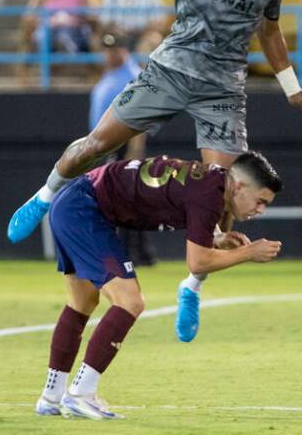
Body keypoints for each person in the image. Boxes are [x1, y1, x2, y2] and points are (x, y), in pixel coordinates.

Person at [8, 0, 302, 346]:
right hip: (169, 72)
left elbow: (270, 32)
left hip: (222, 88)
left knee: (223, 189)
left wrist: (292, 88)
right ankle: (42, 197)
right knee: (96, 146)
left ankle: (192, 285)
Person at [31, 151, 282, 419]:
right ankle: (81, 393)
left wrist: (218, 238)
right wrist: (248, 253)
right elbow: (198, 263)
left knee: (83, 302)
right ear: (240, 186)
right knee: (130, 302)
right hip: (85, 210)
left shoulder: (213, 181)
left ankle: (51, 395)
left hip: (72, 202)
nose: (260, 210)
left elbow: (187, 200)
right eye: (260, 201)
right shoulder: (211, 194)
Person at [88, 32, 155, 267]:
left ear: (124, 51)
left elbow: (140, 117)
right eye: (106, 49)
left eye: (113, 49)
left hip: (122, 143)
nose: (109, 54)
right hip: (105, 145)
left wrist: (134, 150)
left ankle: (133, 252)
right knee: (123, 199)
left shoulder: (133, 76)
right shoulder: (110, 75)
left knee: (124, 200)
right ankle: (139, 252)